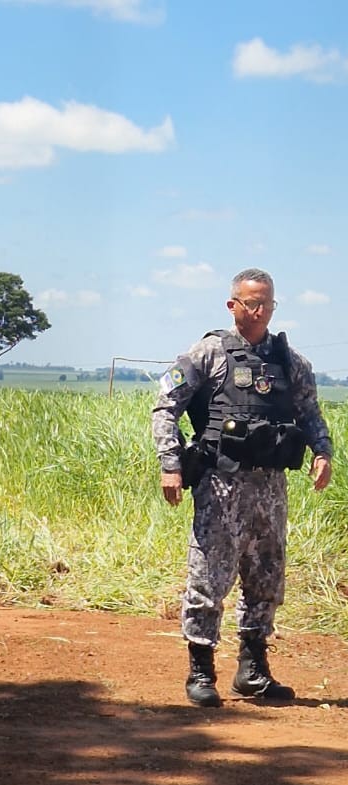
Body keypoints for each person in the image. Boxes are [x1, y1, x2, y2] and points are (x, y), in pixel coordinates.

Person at [152, 268, 332, 708]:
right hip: (220, 487)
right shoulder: (207, 354)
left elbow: (309, 413)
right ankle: (201, 670)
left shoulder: (290, 361)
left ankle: (253, 671)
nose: (259, 311)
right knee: (209, 578)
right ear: (232, 305)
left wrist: (323, 452)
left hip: (270, 490)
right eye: (251, 303)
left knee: (266, 578)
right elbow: (164, 407)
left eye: (267, 303)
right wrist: (170, 464)